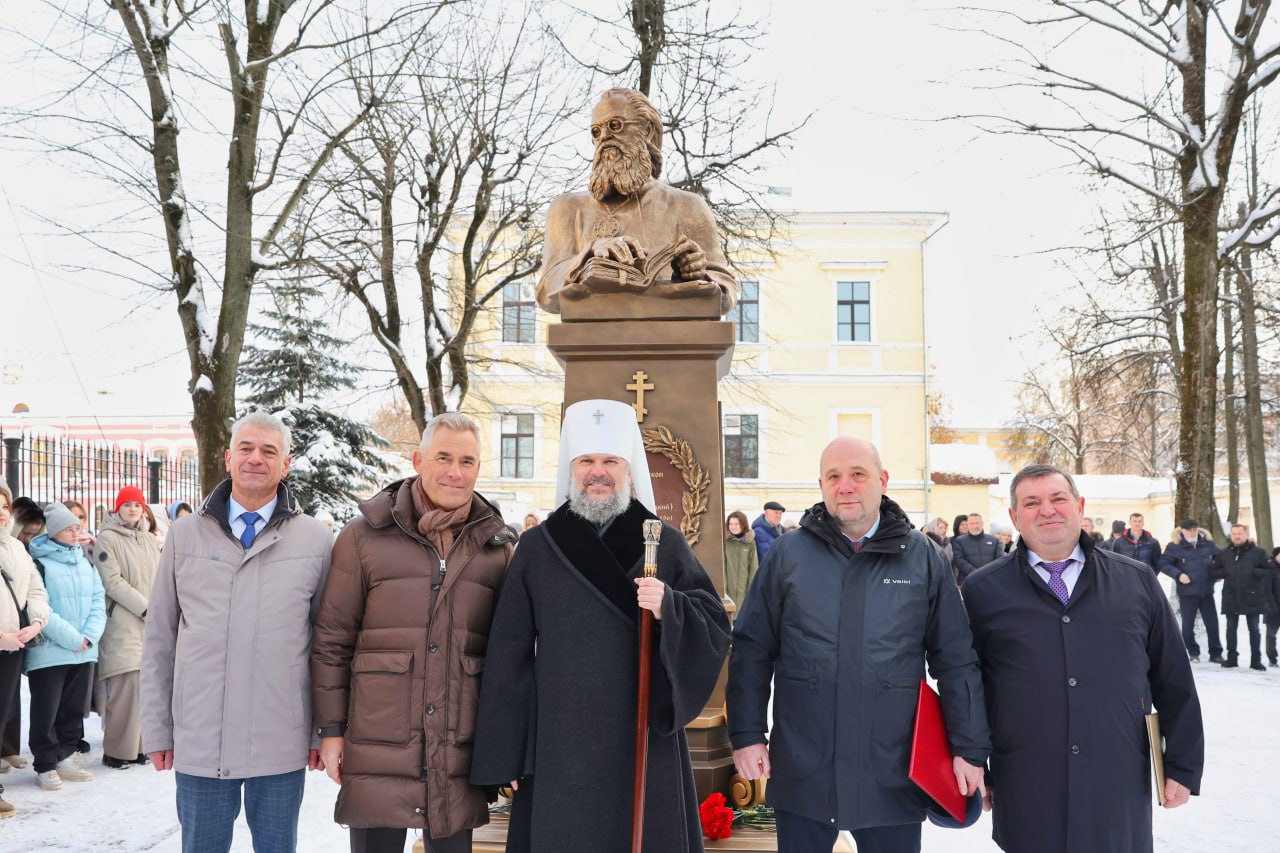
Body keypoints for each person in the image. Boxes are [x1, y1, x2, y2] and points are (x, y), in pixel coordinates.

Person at [470, 399, 729, 853]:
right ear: (571, 469)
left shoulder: (662, 542)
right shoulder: (538, 547)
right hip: (559, 737)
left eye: (610, 461)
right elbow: (509, 653)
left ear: (628, 470)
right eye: (586, 461)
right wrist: (507, 750)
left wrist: (669, 606)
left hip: (641, 733)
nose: (598, 472)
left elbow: (712, 623)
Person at [728, 437, 989, 853]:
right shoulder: (788, 554)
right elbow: (752, 648)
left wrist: (969, 747)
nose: (845, 486)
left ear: (883, 480)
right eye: (833, 477)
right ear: (821, 485)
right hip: (804, 767)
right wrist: (747, 732)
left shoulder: (922, 557)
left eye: (857, 474)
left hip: (893, 771)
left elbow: (956, 660)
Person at [961, 464, 1204, 853]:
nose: (1047, 510)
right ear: (1014, 517)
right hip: (1027, 780)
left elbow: (1173, 676)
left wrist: (1183, 763)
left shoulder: (1136, 581)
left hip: (1116, 776)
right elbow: (968, 687)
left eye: (1058, 499)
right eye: (1032, 503)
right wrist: (977, 762)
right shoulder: (983, 590)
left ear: (1080, 506)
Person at [311, 413, 518, 853]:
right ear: (418, 460)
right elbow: (332, 640)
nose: (455, 472)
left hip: (457, 749)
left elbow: (508, 655)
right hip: (377, 742)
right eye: (444, 457)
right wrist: (331, 730)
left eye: (467, 461)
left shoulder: (495, 547)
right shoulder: (363, 537)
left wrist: (506, 742)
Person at [141, 411, 334, 853]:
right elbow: (160, 641)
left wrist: (319, 731)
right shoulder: (185, 535)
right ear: (228, 458)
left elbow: (325, 646)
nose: (255, 459)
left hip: (280, 739)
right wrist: (157, 729)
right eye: (245, 448)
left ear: (286, 464)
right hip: (201, 737)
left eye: (269, 451)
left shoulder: (315, 541)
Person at [536, 88, 739, 315]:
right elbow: (546, 294)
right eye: (596, 131)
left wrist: (697, 273)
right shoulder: (567, 208)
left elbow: (726, 294)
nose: (604, 137)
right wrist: (588, 255)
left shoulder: (688, 206)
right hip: (588, 331)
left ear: (647, 130)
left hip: (667, 331)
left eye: (615, 125)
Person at [24, 502, 106, 791]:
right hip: (50, 651)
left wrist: (90, 636)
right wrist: (74, 639)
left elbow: (98, 600)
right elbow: (40, 607)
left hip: (83, 650)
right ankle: (45, 763)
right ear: (55, 531)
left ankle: (66, 755)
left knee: (72, 708)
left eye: (77, 528)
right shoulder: (39, 564)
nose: (75, 533)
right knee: (46, 710)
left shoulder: (85, 561)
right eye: (68, 529)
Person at [90, 485, 160, 768]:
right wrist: (145, 607)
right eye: (127, 504)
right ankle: (117, 750)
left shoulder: (148, 540)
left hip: (151, 621)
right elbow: (112, 582)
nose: (133, 509)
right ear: (118, 508)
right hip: (123, 620)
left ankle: (139, 747)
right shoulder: (107, 538)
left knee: (146, 687)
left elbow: (160, 577)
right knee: (125, 686)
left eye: (137, 505)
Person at [0, 482, 50, 817]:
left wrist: (36, 622)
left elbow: (35, 590)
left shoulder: (17, 548)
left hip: (13, 646)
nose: (1, 513)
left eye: (5, 507)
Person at [1158, 519, 1223, 663]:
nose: (1193, 532)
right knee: (1187, 625)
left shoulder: (1208, 544)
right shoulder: (1175, 546)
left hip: (1206, 591)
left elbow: (1222, 559)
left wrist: (1217, 574)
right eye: (1190, 530)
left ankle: (1216, 654)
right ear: (1183, 531)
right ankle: (1193, 652)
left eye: (1195, 529)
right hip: (1187, 592)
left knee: (1212, 624)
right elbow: (1163, 564)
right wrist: (1178, 575)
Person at [1214, 523, 1273, 670]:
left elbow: (1270, 571)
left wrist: (1254, 572)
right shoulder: (1225, 553)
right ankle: (1232, 659)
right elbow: (1213, 571)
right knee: (1230, 629)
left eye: (1240, 533)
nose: (1237, 536)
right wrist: (1225, 572)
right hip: (1231, 596)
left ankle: (1256, 660)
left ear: (1246, 535)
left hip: (1252, 596)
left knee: (1254, 630)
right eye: (1234, 534)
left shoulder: (1258, 552)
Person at [724, 510, 759, 614]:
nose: (733, 526)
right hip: (728, 591)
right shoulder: (724, 543)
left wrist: (751, 590)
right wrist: (723, 590)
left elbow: (753, 567)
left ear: (743, 525)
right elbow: (722, 567)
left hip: (744, 592)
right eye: (731, 524)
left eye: (736, 524)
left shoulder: (750, 544)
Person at [951, 512, 1002, 581]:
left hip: (990, 580)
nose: (975, 526)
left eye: (977, 523)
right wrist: (976, 573)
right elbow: (959, 560)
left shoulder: (994, 540)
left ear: (982, 523)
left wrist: (987, 572)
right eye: (971, 523)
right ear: (968, 525)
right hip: (968, 580)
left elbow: (999, 559)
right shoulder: (959, 541)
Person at [1267, 548, 1280, 667]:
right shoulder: (1269, 569)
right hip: (1273, 609)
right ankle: (1272, 659)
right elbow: (1266, 591)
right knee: (1271, 635)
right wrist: (1272, 607)